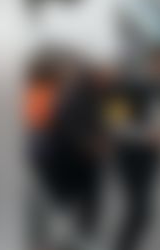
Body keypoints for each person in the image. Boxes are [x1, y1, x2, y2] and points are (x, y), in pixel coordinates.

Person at [107, 49, 160, 250]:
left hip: (151, 159)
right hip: (132, 157)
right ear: (153, 64)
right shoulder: (131, 87)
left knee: (142, 211)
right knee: (141, 210)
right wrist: (147, 136)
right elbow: (115, 123)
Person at [38, 60, 112, 236]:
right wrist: (89, 143)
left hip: (88, 164)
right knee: (59, 205)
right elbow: (67, 125)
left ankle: (79, 242)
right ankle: (48, 247)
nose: (109, 76)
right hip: (67, 161)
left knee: (90, 208)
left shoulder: (104, 95)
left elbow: (113, 120)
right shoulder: (75, 95)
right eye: (105, 72)